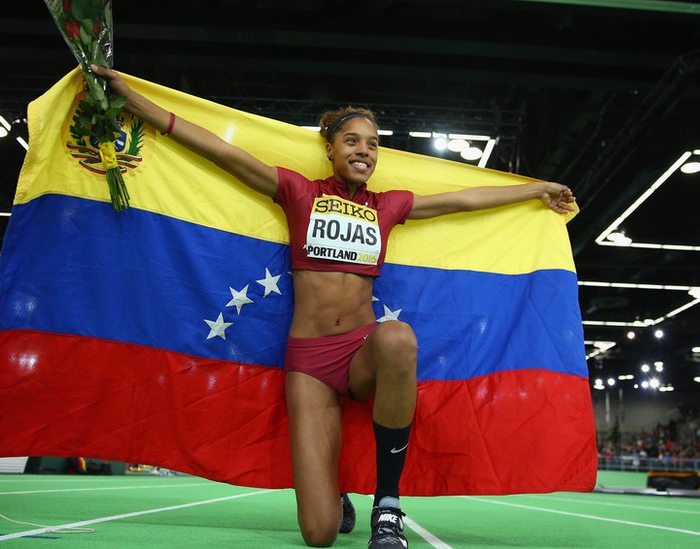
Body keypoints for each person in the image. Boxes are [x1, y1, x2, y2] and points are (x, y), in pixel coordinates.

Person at [91, 64, 575, 549]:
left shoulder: (388, 207)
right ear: (330, 149)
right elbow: (221, 151)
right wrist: (132, 101)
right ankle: (337, 494)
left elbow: (464, 200)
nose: (363, 150)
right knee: (320, 535)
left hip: (363, 351)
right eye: (352, 141)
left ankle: (388, 505)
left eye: (372, 144)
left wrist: (537, 189)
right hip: (310, 363)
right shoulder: (300, 192)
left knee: (398, 337)